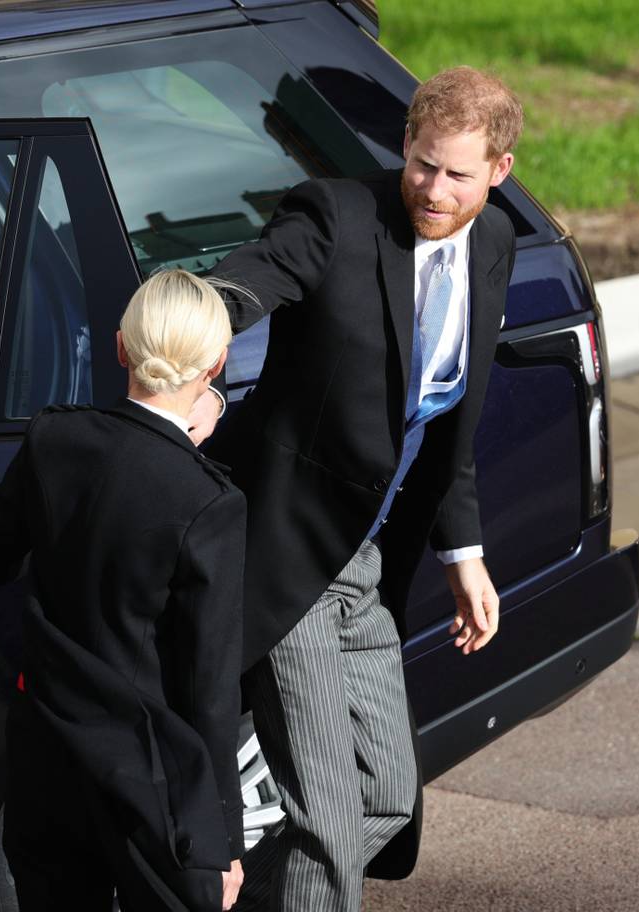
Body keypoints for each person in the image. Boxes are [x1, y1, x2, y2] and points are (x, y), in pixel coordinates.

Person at [191, 65, 524, 910]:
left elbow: (445, 419)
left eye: (456, 173)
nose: (432, 189)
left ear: (499, 170)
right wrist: (189, 328)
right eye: (419, 163)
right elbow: (253, 277)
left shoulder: (492, 245)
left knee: (384, 799)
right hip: (287, 556)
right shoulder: (337, 218)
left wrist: (464, 552)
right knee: (327, 822)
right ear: (403, 147)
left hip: (363, 567)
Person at [0, 269, 247, 911]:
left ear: (119, 348)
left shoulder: (54, 439)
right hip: (147, 772)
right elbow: (210, 688)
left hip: (45, 749)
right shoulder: (208, 502)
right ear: (217, 366)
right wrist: (220, 836)